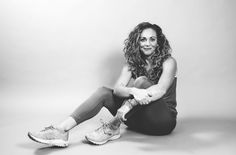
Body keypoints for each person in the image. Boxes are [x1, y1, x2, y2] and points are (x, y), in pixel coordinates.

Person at [28, 22, 178, 147]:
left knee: (141, 81)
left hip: (162, 122)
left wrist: (133, 100)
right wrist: (134, 91)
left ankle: (112, 126)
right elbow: (118, 90)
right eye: (143, 39)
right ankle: (61, 130)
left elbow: (161, 89)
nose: (147, 43)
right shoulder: (131, 64)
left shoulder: (168, 62)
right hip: (137, 122)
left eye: (152, 39)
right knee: (104, 92)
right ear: (136, 42)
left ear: (159, 42)